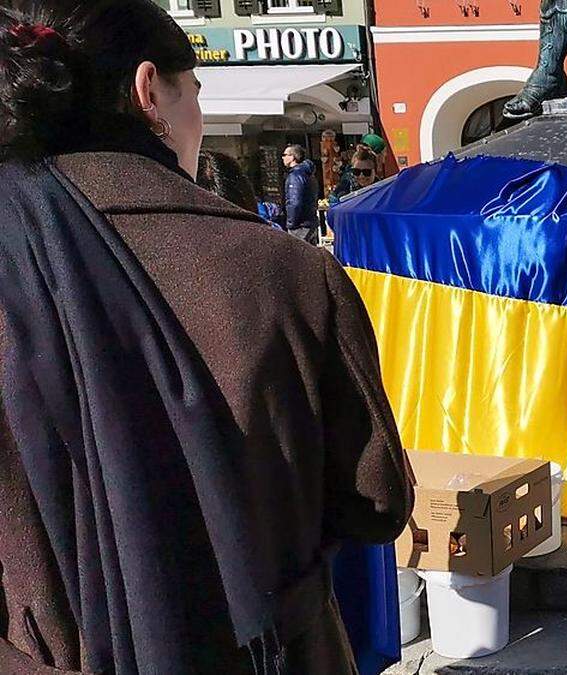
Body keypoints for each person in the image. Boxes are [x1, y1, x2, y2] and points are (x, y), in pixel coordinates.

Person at [0, 2, 414, 673]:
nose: (196, 112)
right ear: (149, 94)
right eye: (194, 91)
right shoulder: (284, 271)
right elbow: (376, 503)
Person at [282, 143, 320, 244]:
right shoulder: (308, 174)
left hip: (300, 226)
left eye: (285, 155)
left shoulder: (295, 176)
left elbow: (294, 202)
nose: (283, 158)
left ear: (292, 157)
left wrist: (291, 224)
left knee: (299, 256)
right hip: (310, 222)